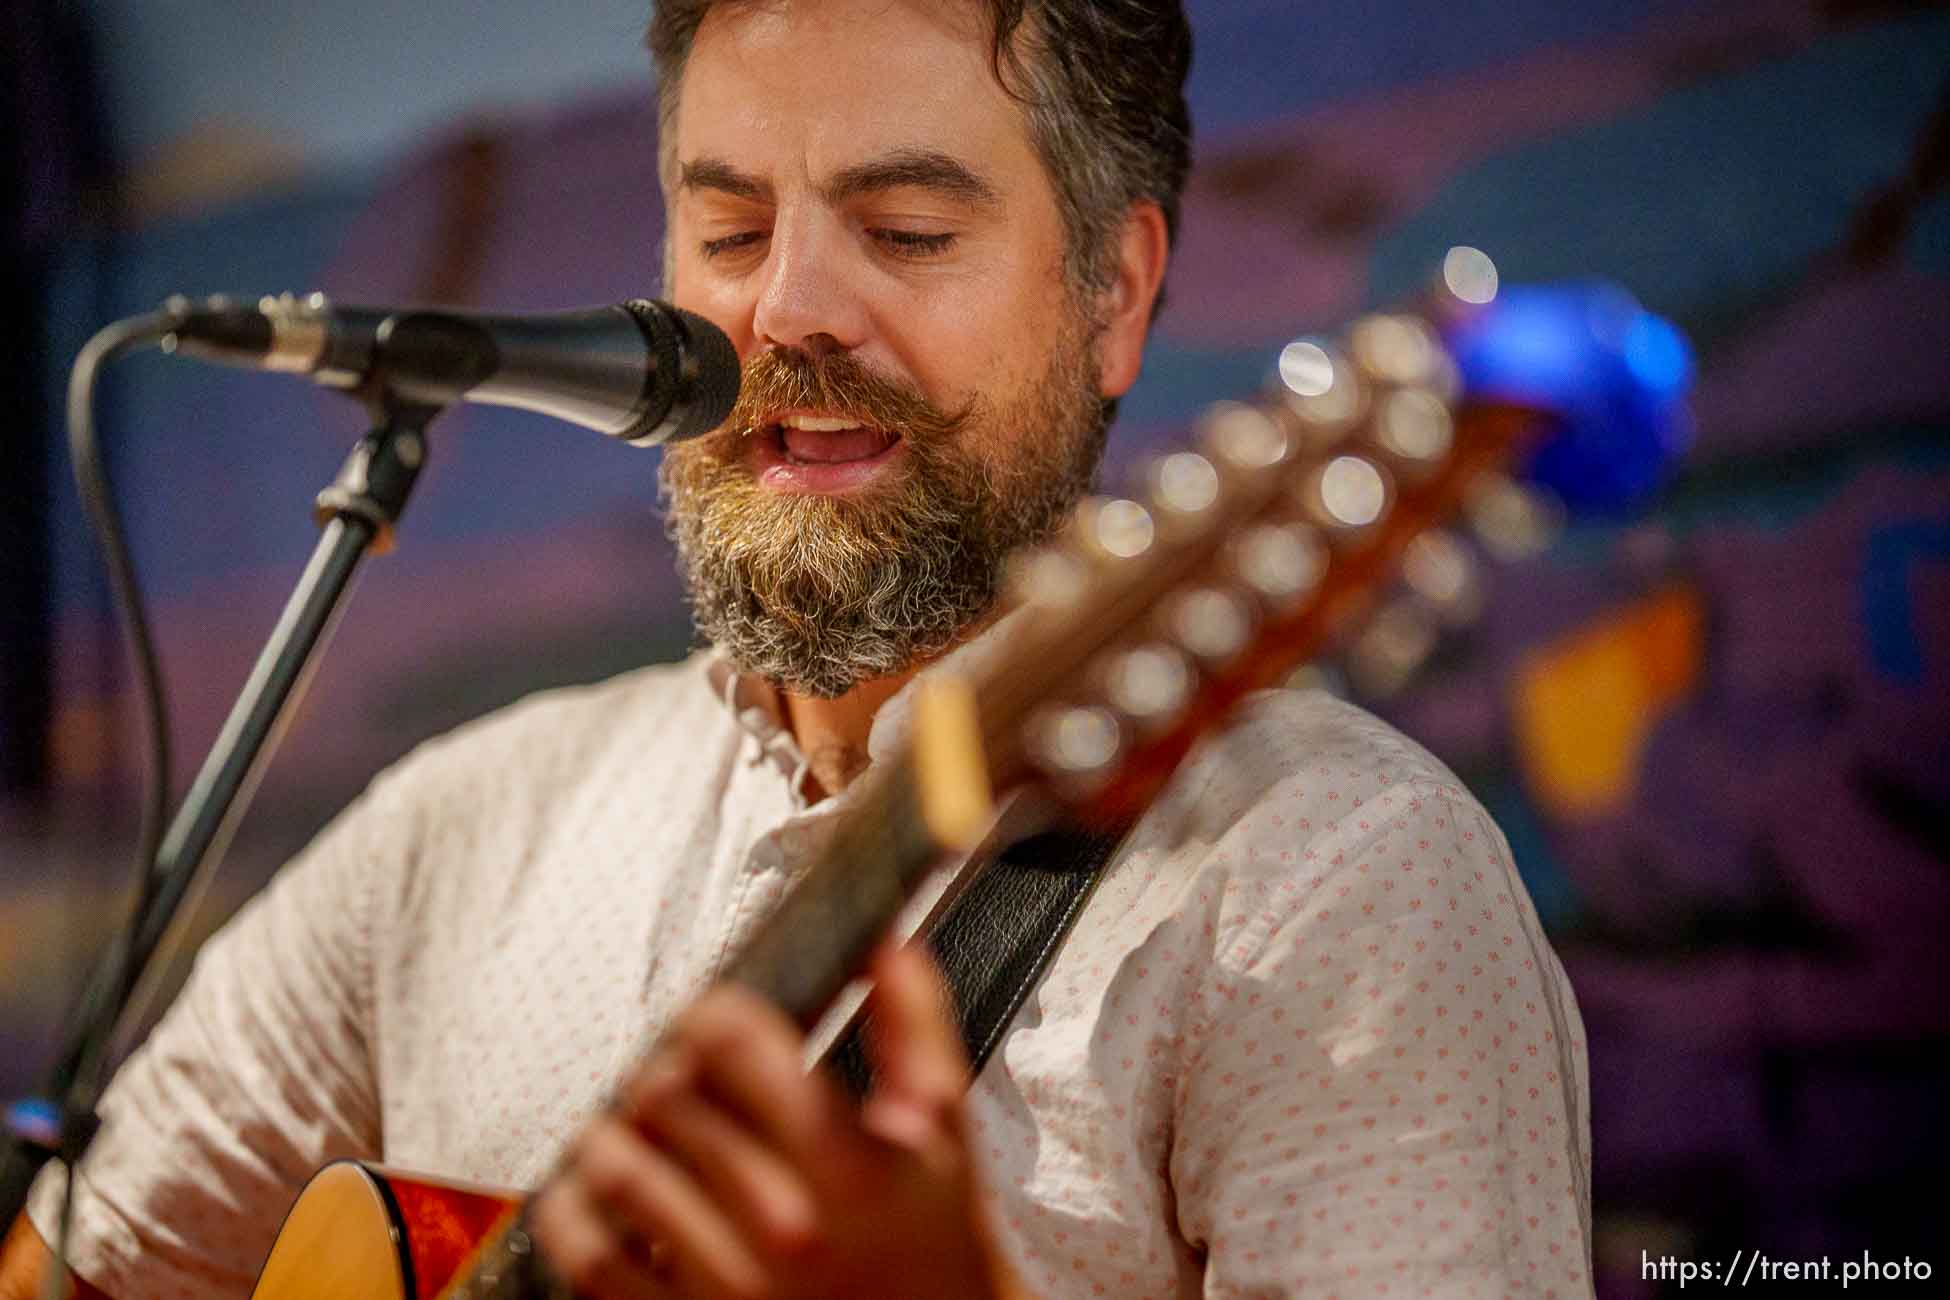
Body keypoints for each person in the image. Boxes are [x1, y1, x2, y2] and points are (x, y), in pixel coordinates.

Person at [2, 1, 1594, 1297]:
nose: (788, 311)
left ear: (1113, 294)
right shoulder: (454, 827)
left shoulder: (1342, 876)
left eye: (902, 231)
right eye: (728, 227)